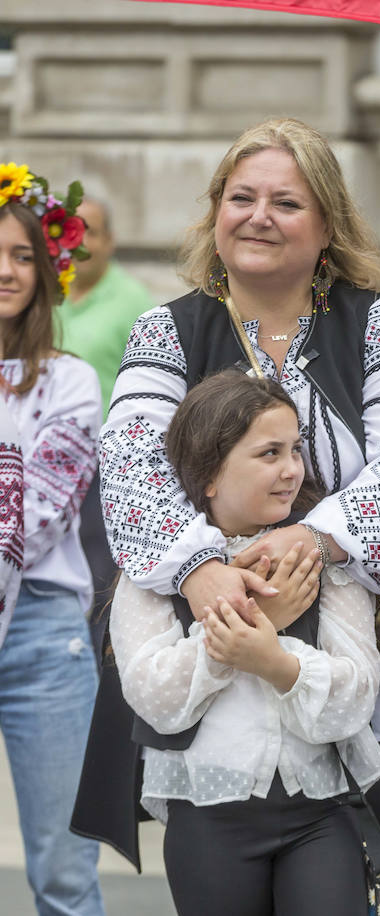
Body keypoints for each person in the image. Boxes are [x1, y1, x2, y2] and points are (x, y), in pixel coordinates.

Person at [83, 117, 380, 862]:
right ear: (216, 212)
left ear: (327, 224)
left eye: (286, 202)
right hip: (211, 658)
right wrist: (204, 570)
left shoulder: (376, 321)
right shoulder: (166, 330)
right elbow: (129, 466)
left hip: (359, 674)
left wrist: (313, 538)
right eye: (241, 197)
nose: (258, 217)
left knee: (357, 883)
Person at [113, 369, 380, 916]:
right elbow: (156, 699)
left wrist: (274, 660)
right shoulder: (155, 568)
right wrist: (254, 622)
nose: (292, 470)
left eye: (295, 450)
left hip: (320, 812)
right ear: (210, 474)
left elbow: (355, 698)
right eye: (268, 454)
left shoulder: (323, 556)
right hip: (208, 815)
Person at [0, 165, 104, 915]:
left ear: (47, 266)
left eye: (22, 254)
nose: (6, 271)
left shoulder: (67, 382)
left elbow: (41, 511)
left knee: (64, 876)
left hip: (42, 632)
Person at [58, 196, 155, 616]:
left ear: (111, 241)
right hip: (38, 459)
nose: (78, 243)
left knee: (98, 576)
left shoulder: (134, 303)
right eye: (69, 231)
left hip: (101, 466)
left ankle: (98, 675)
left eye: (90, 231)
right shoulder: (41, 292)